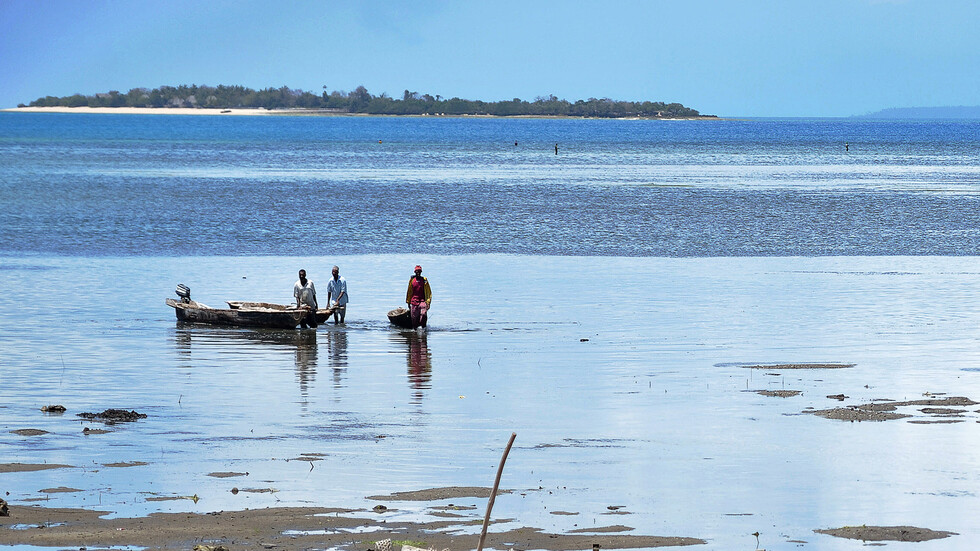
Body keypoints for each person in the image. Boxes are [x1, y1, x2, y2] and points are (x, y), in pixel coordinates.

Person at [405, 265, 432, 329]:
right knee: (414, 318)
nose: (418, 273)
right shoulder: (412, 280)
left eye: (419, 271)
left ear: (421, 272)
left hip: (422, 301)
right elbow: (409, 291)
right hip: (414, 302)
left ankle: (423, 329)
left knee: (423, 315)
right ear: (415, 272)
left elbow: (428, 292)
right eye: (417, 271)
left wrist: (428, 302)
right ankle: (415, 331)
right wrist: (408, 302)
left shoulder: (424, 280)